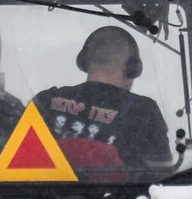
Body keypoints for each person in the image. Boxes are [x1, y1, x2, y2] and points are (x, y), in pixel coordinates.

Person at [29, 25, 173, 169]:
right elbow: (162, 175)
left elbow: (23, 160)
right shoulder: (143, 111)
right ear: (132, 68)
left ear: (84, 62)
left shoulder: (46, 100)